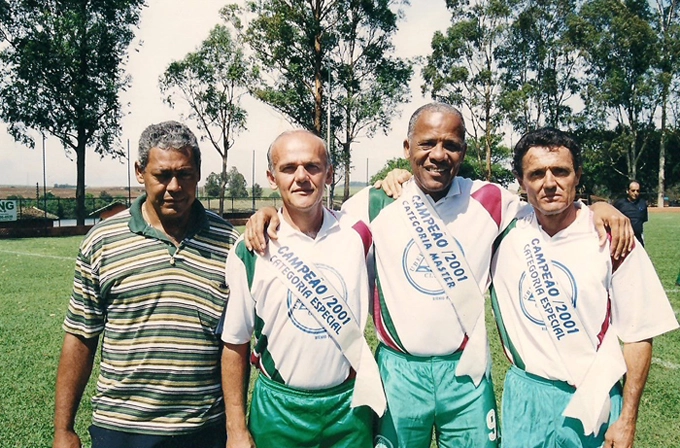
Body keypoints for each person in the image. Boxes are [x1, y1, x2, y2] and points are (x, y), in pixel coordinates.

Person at [244, 103, 632, 448]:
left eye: (451, 144)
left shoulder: (491, 200)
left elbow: (550, 202)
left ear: (463, 151)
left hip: (465, 372)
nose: (438, 155)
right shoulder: (373, 203)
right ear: (407, 148)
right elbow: (312, 226)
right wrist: (269, 214)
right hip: (398, 372)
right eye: (427, 143)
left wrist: (598, 206)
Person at [53, 121, 239, 448]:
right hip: (121, 428)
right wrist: (63, 428)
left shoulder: (228, 244)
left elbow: (236, 343)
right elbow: (81, 336)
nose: (174, 187)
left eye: (184, 174)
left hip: (202, 429)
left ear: (198, 173)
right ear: (140, 172)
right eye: (162, 175)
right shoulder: (103, 241)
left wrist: (235, 429)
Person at [490, 128, 678, 448]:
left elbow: (638, 334)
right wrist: (397, 176)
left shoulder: (613, 239)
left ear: (577, 176)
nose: (549, 183)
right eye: (536, 174)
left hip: (596, 396)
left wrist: (628, 419)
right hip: (527, 396)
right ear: (521, 182)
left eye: (560, 171)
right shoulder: (501, 230)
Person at [220, 130, 385, 448]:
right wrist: (237, 430)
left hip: (350, 405)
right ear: (271, 177)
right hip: (279, 410)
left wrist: (399, 175)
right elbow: (235, 344)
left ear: (329, 174)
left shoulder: (359, 235)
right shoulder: (251, 248)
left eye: (312, 167)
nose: (301, 178)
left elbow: (404, 196)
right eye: (288, 168)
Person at [613, 180, 648, 246]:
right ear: (627, 191)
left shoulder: (642, 203)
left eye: (638, 191)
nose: (635, 193)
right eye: (633, 190)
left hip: (638, 239)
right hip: (624, 238)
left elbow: (643, 220)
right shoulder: (619, 203)